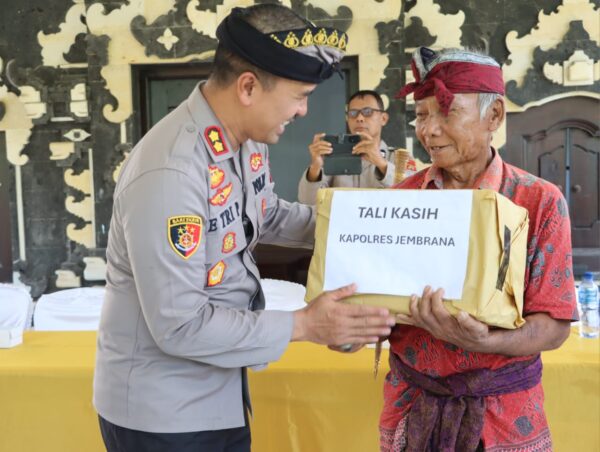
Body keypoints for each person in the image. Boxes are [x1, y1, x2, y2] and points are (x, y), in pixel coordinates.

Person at [93, 5, 395, 452]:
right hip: (166, 416)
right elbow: (179, 325)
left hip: (218, 391)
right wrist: (306, 326)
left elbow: (266, 213)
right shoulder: (172, 172)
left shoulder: (243, 140)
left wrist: (358, 230)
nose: (303, 111)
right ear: (249, 86)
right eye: (299, 96)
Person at [379, 47, 577, 451]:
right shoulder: (400, 199)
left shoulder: (538, 201)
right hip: (412, 406)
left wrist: (485, 342)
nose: (428, 131)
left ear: (495, 116)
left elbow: (554, 326)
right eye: (420, 115)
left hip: (503, 416)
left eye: (447, 113)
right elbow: (374, 301)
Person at [297, 90, 397, 204]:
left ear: (383, 118)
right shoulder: (333, 154)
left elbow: (413, 196)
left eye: (368, 112)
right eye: (353, 113)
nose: (359, 118)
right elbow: (307, 201)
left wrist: (382, 164)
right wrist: (315, 167)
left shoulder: (398, 157)